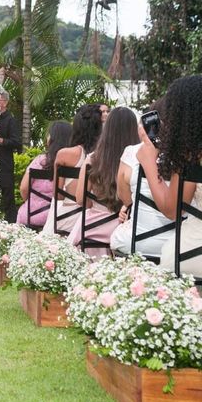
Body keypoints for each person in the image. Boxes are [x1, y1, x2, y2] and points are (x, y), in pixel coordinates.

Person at [137, 75, 202, 279]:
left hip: (194, 250)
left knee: (168, 258)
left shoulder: (191, 156)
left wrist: (149, 162)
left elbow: (171, 209)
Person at [68, 107, 140, 259]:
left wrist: (97, 206)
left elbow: (80, 199)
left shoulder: (93, 159)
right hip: (126, 225)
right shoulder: (138, 161)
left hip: (93, 228)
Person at [110, 100, 174, 257]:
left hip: (136, 242)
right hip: (179, 244)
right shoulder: (185, 156)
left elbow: (126, 200)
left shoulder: (132, 152)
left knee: (118, 234)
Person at [42, 104, 103, 234]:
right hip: (99, 219)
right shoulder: (106, 156)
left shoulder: (65, 154)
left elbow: (57, 196)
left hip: (69, 217)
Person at [16, 121, 72, 227]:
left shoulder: (39, 161)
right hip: (61, 217)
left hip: (31, 214)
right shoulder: (73, 164)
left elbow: (23, 188)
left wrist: (33, 202)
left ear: (52, 138)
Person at [0, 90, 21, 223]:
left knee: (7, 196)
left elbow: (16, 142)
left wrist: (0, 140)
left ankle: (11, 224)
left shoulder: (10, 120)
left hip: (5, 164)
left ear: (5, 102)